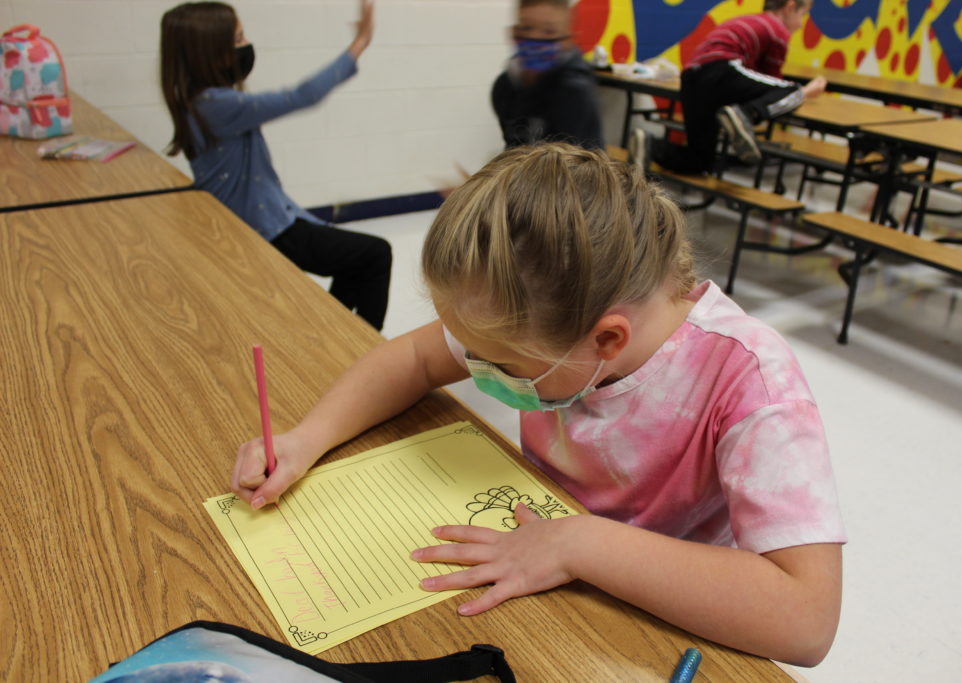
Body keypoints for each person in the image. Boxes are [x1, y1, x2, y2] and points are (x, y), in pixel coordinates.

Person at [231, 143, 845, 666]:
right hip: (537, 561)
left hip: (660, 621)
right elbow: (414, 360)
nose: (479, 371)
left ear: (606, 340)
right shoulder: (552, 322)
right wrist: (306, 439)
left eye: (500, 365)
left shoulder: (751, 382)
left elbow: (806, 620)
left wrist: (579, 544)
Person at [160, 0, 392, 331]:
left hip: (270, 217)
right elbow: (302, 95)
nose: (247, 45)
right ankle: (365, 349)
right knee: (374, 254)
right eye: (238, 39)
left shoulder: (197, 101)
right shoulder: (216, 105)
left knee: (355, 260)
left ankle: (339, 336)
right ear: (210, 52)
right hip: (264, 230)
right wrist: (358, 45)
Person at [632, 0, 828, 175]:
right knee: (792, 91)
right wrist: (807, 92)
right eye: (802, 15)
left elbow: (755, 80)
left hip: (692, 77)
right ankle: (745, 114)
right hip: (722, 69)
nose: (801, 24)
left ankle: (651, 145)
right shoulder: (777, 30)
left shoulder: (749, 20)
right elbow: (771, 80)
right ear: (790, 6)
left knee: (700, 159)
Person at [491, 0, 603, 150]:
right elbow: (512, 148)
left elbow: (571, 164)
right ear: (513, 32)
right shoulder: (504, 87)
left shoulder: (574, 91)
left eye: (549, 31)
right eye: (526, 27)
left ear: (567, 41)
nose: (535, 37)